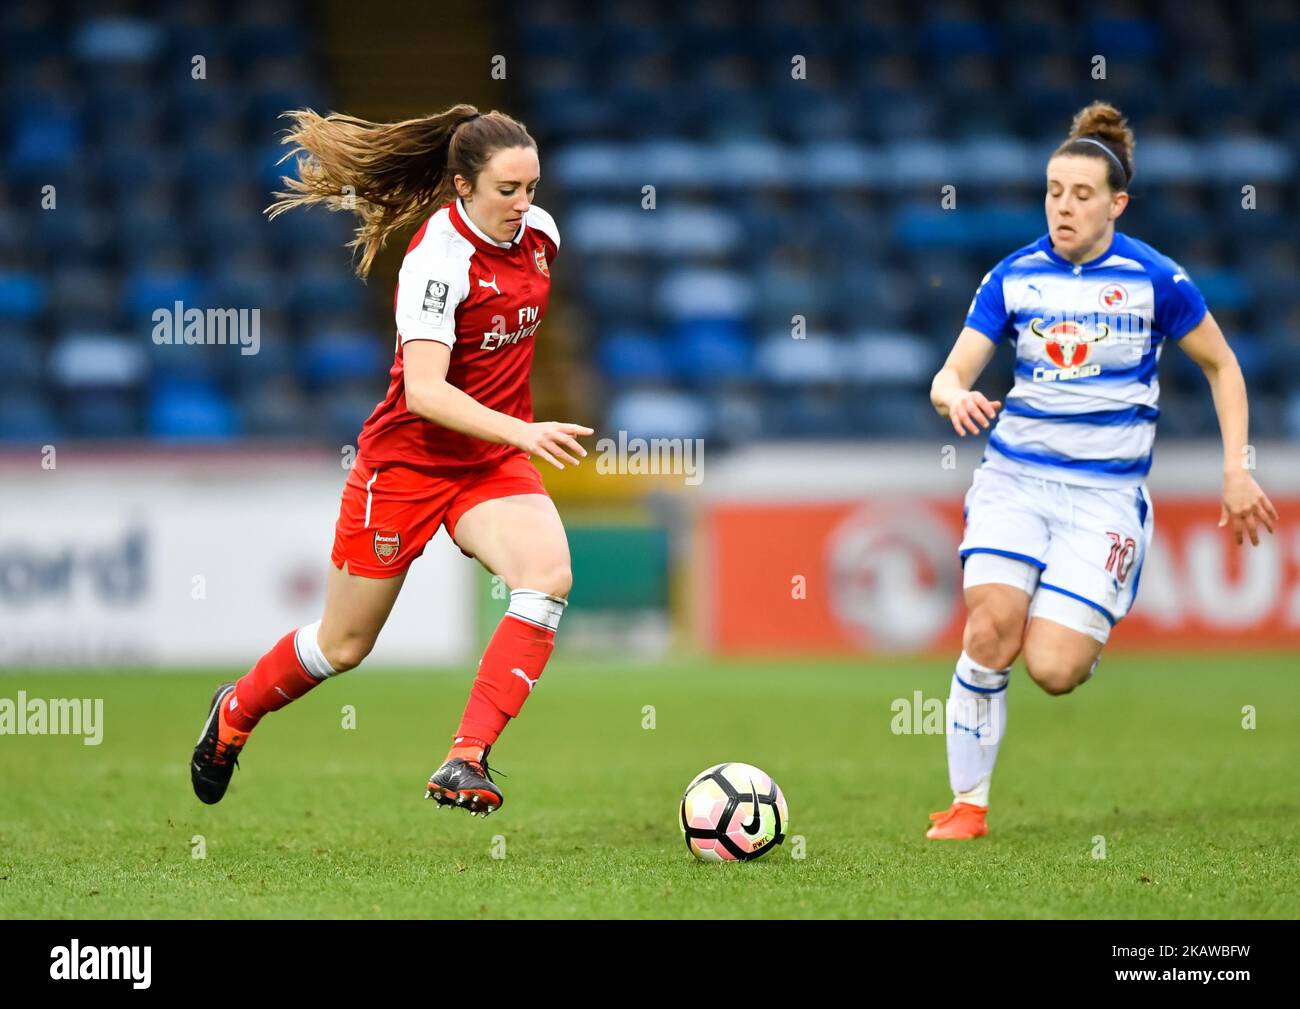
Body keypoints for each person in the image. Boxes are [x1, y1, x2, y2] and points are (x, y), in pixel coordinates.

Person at [190, 104, 592, 817]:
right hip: (405, 466)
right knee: (343, 646)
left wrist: (508, 437)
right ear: (463, 187)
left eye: (532, 187)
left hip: (489, 464)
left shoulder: (541, 237)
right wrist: (521, 430)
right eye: (508, 190)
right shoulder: (437, 261)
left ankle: (466, 757)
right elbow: (426, 391)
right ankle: (234, 713)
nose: (524, 204)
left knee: (547, 575)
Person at [925, 101, 1279, 839]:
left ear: (1117, 203)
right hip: (1014, 480)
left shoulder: (1157, 280)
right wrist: (956, 395)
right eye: (1055, 191)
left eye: (1082, 195)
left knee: (1053, 668)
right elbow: (949, 373)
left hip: (1104, 498)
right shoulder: (1013, 276)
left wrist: (1237, 470)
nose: (1064, 206)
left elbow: (1223, 366)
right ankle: (967, 806)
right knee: (991, 627)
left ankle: (1080, 623)